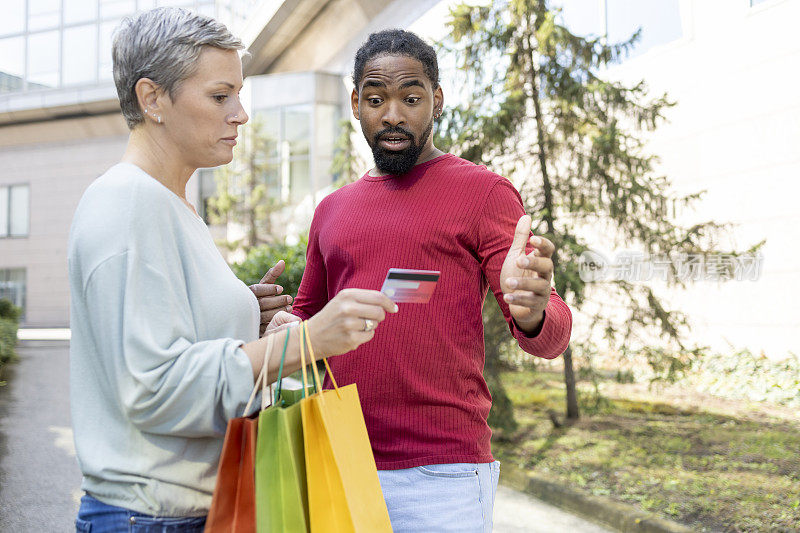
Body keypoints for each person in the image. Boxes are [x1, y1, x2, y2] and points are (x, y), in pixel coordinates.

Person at [68, 8, 395, 531]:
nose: (240, 114)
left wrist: (244, 315)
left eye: (238, 95)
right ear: (152, 98)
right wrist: (307, 342)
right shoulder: (128, 205)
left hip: (185, 509)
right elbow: (155, 388)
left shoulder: (171, 205)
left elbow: (168, 343)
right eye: (220, 96)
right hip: (150, 516)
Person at [291, 29, 573, 532]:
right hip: (338, 460)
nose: (393, 115)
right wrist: (269, 321)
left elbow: (551, 336)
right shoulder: (331, 211)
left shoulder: (483, 192)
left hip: (444, 477)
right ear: (356, 103)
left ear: (436, 100)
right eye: (376, 99)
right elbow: (305, 321)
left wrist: (533, 312)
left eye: (411, 98)